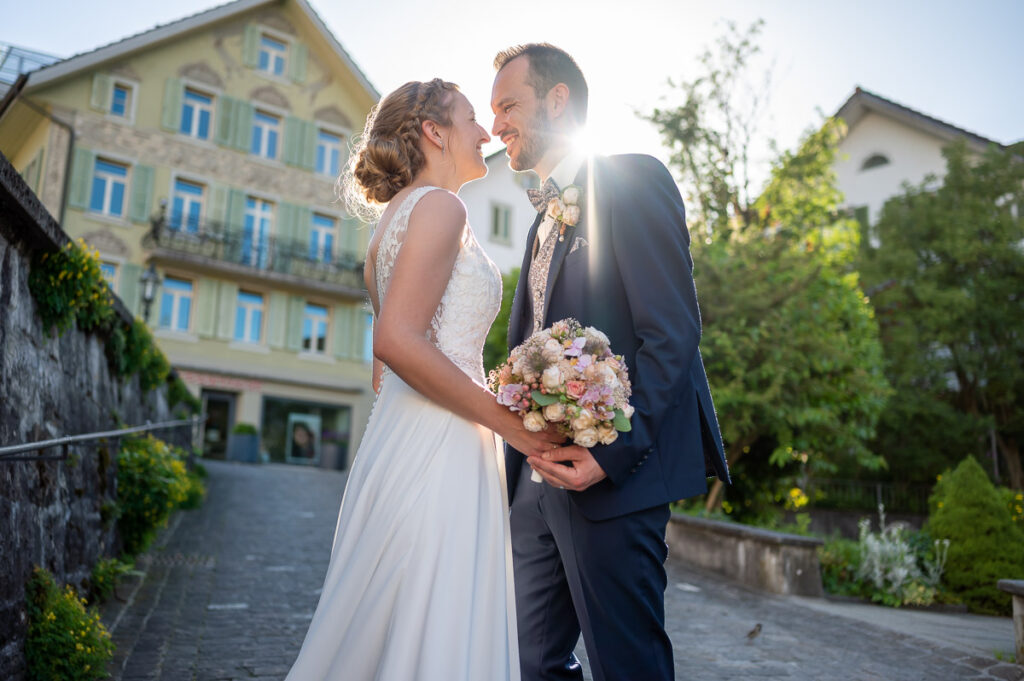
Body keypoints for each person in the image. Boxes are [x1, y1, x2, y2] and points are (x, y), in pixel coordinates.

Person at [284, 78, 561, 681]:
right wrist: (514, 427)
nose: (486, 132)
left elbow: (387, 374)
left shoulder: (387, 228)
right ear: (435, 133)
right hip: (441, 445)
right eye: (470, 120)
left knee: (394, 613)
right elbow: (395, 343)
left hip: (404, 437)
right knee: (434, 613)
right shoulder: (441, 207)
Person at [491, 44, 731, 681]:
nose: (496, 125)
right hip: (532, 488)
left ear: (557, 99)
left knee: (628, 667)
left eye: (508, 105)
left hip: (614, 483)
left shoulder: (633, 179)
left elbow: (671, 335)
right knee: (531, 663)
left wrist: (610, 455)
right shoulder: (539, 219)